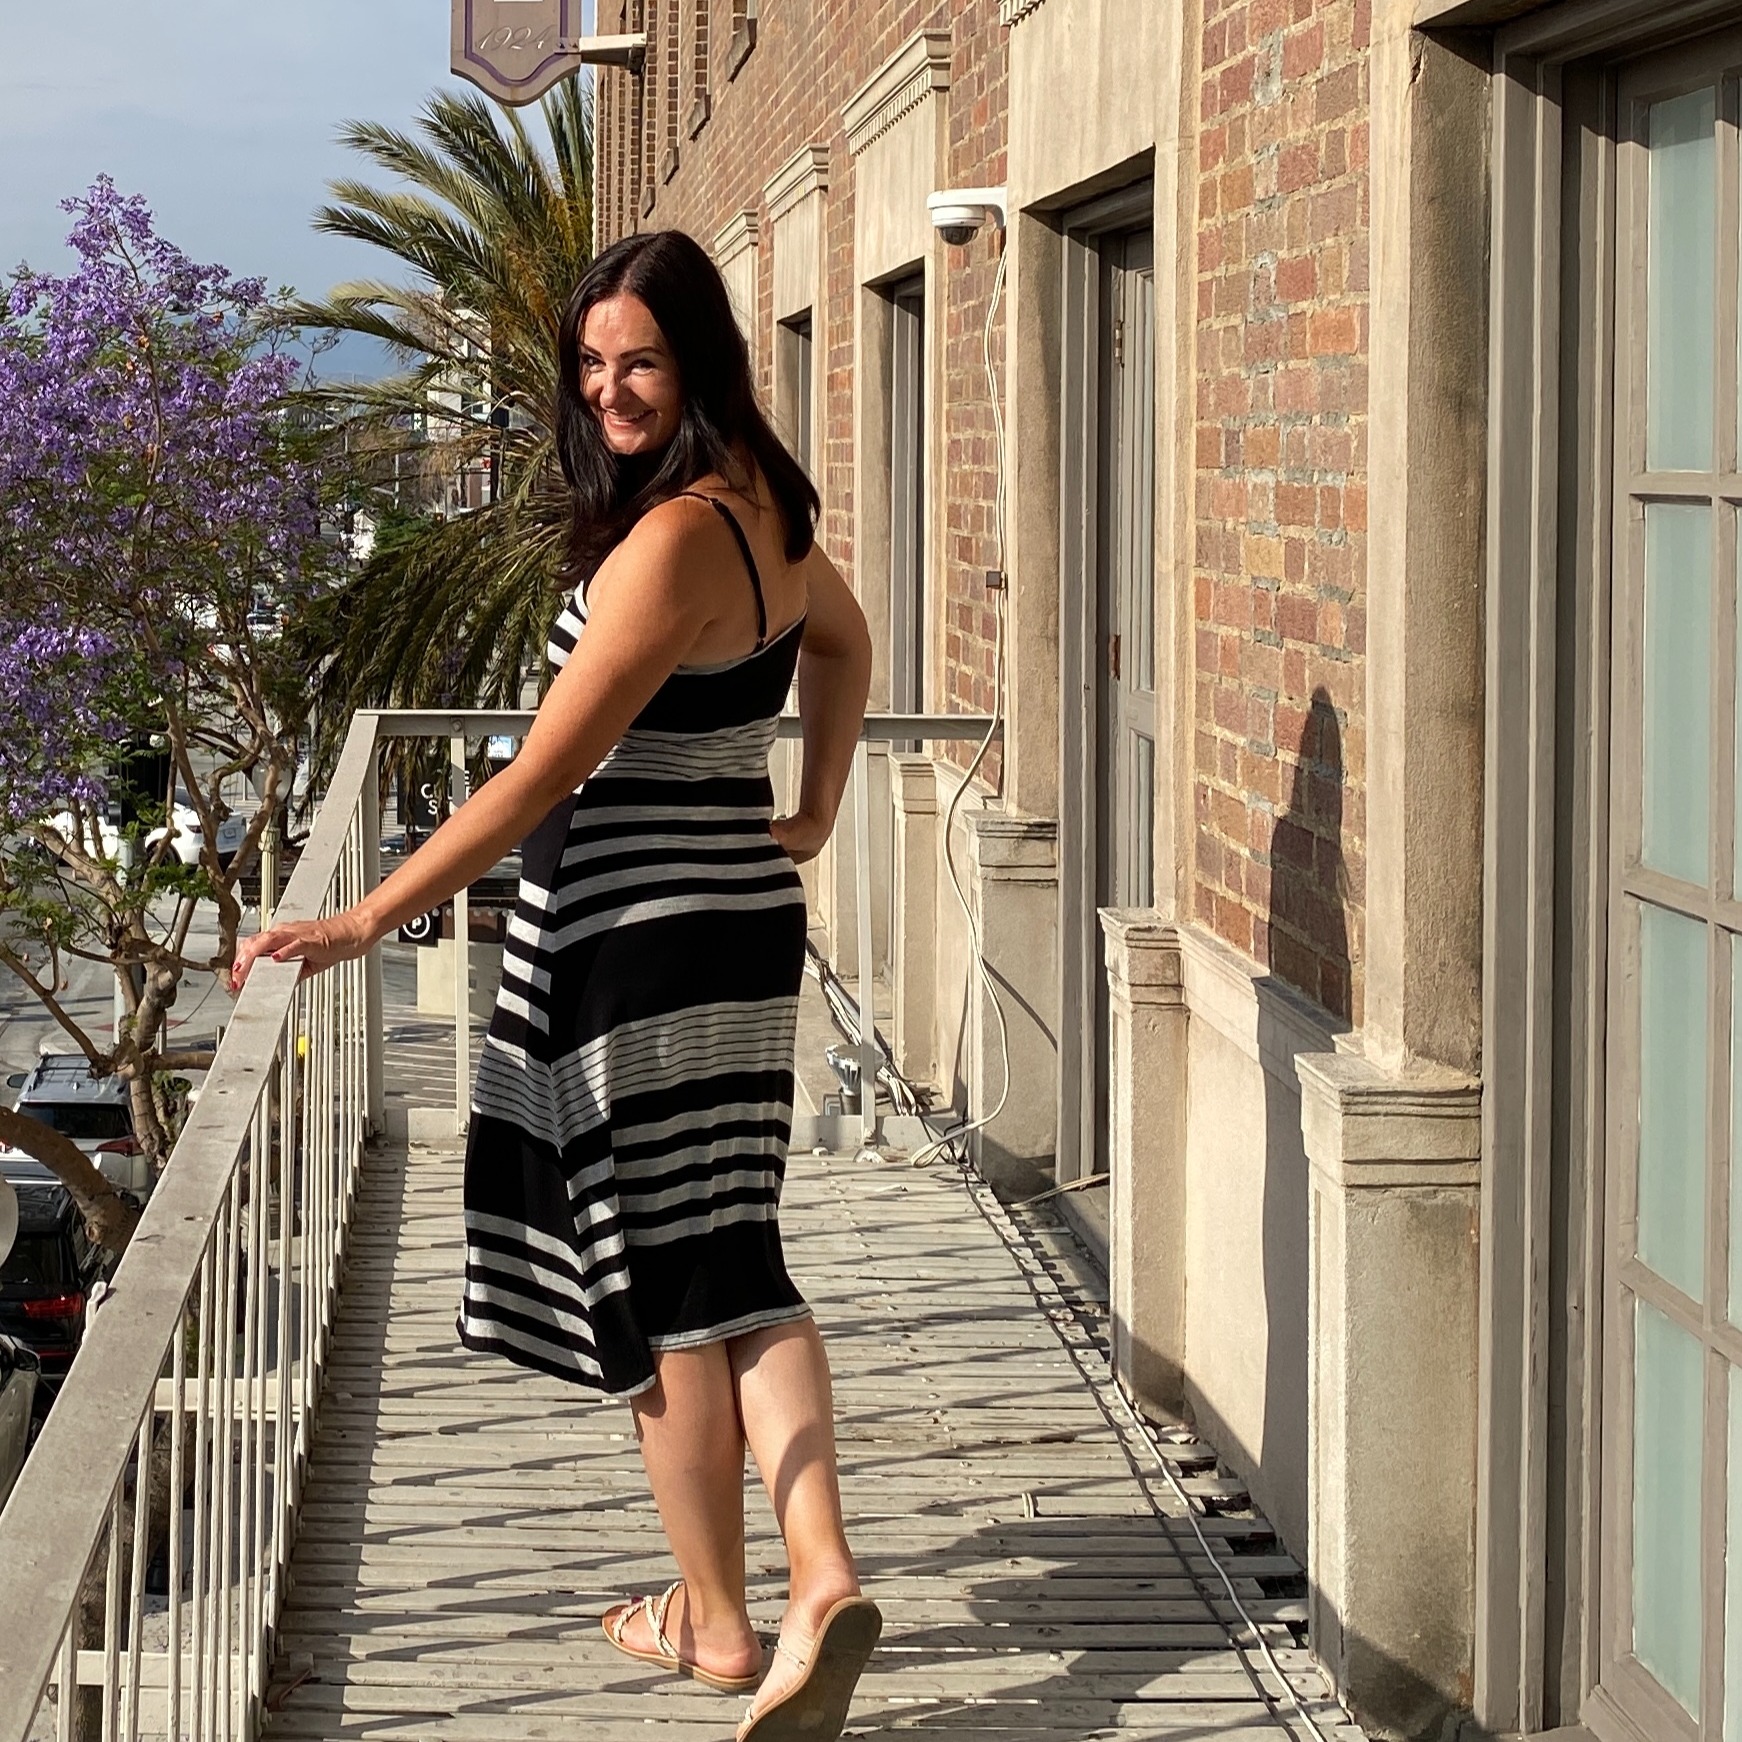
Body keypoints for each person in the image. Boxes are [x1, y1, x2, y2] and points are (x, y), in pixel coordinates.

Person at [232, 230, 878, 1742]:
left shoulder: (665, 548)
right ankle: (823, 1573)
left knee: (655, 1293)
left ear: (700, 360)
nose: (608, 393)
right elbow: (845, 643)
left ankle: (720, 1624)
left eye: (637, 362)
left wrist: (360, 919)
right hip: (734, 918)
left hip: (627, 944)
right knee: (733, 1254)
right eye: (589, 368)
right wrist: (815, 808)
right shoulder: (764, 510)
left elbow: (537, 778)